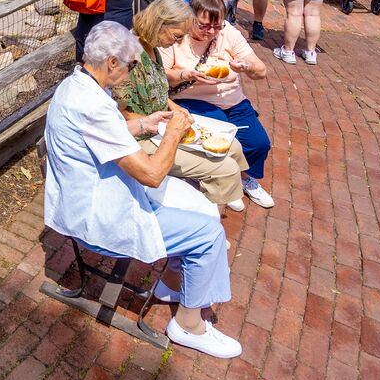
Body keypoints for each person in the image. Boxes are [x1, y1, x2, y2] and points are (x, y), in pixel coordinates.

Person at [43, 21, 241, 358]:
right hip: (96, 218)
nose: (132, 70)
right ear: (112, 63)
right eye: (131, 64)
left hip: (90, 198)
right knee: (208, 233)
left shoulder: (78, 85)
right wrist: (175, 133)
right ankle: (188, 326)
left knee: (201, 207)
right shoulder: (93, 104)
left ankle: (175, 285)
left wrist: (142, 124)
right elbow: (150, 174)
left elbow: (102, 133)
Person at [115, 0, 249, 209]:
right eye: (176, 36)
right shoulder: (128, 57)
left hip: (160, 127)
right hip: (143, 139)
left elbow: (155, 88)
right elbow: (122, 114)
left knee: (233, 146)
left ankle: (221, 191)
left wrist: (175, 107)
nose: (176, 43)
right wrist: (169, 127)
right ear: (160, 24)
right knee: (226, 168)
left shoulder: (153, 47)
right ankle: (207, 219)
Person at [164, 0, 274, 209]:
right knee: (220, 140)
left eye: (217, 26)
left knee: (258, 142)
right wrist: (187, 75)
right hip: (191, 98)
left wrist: (248, 67)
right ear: (191, 18)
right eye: (204, 26)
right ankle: (221, 179)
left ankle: (244, 178)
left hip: (232, 99)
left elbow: (261, 71)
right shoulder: (177, 35)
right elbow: (163, 73)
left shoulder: (229, 34)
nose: (211, 32)